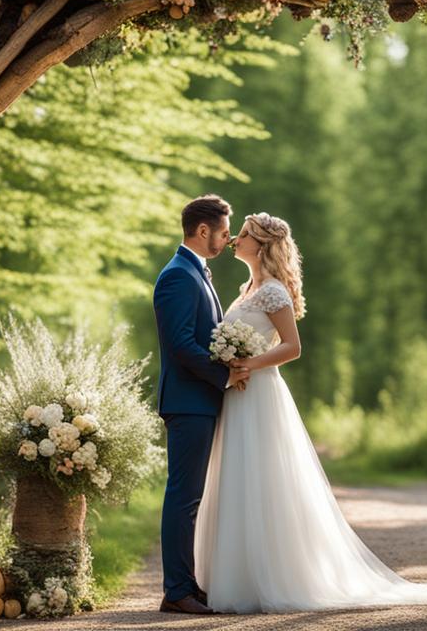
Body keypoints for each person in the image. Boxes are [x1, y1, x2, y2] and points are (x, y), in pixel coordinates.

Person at [193, 212, 427, 612]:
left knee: (262, 479)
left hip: (259, 393)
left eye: (243, 235)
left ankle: (272, 577)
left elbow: (292, 347)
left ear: (261, 246)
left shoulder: (273, 291)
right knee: (237, 479)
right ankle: (236, 578)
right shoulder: (246, 288)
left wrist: (247, 364)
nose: (235, 240)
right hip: (238, 393)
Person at [152, 195, 250, 615]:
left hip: (200, 400)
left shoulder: (197, 272)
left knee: (191, 496)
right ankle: (176, 591)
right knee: (183, 496)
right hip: (188, 401)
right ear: (203, 230)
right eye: (225, 231)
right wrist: (224, 374)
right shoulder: (177, 276)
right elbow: (181, 346)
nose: (228, 239)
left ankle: (187, 584)